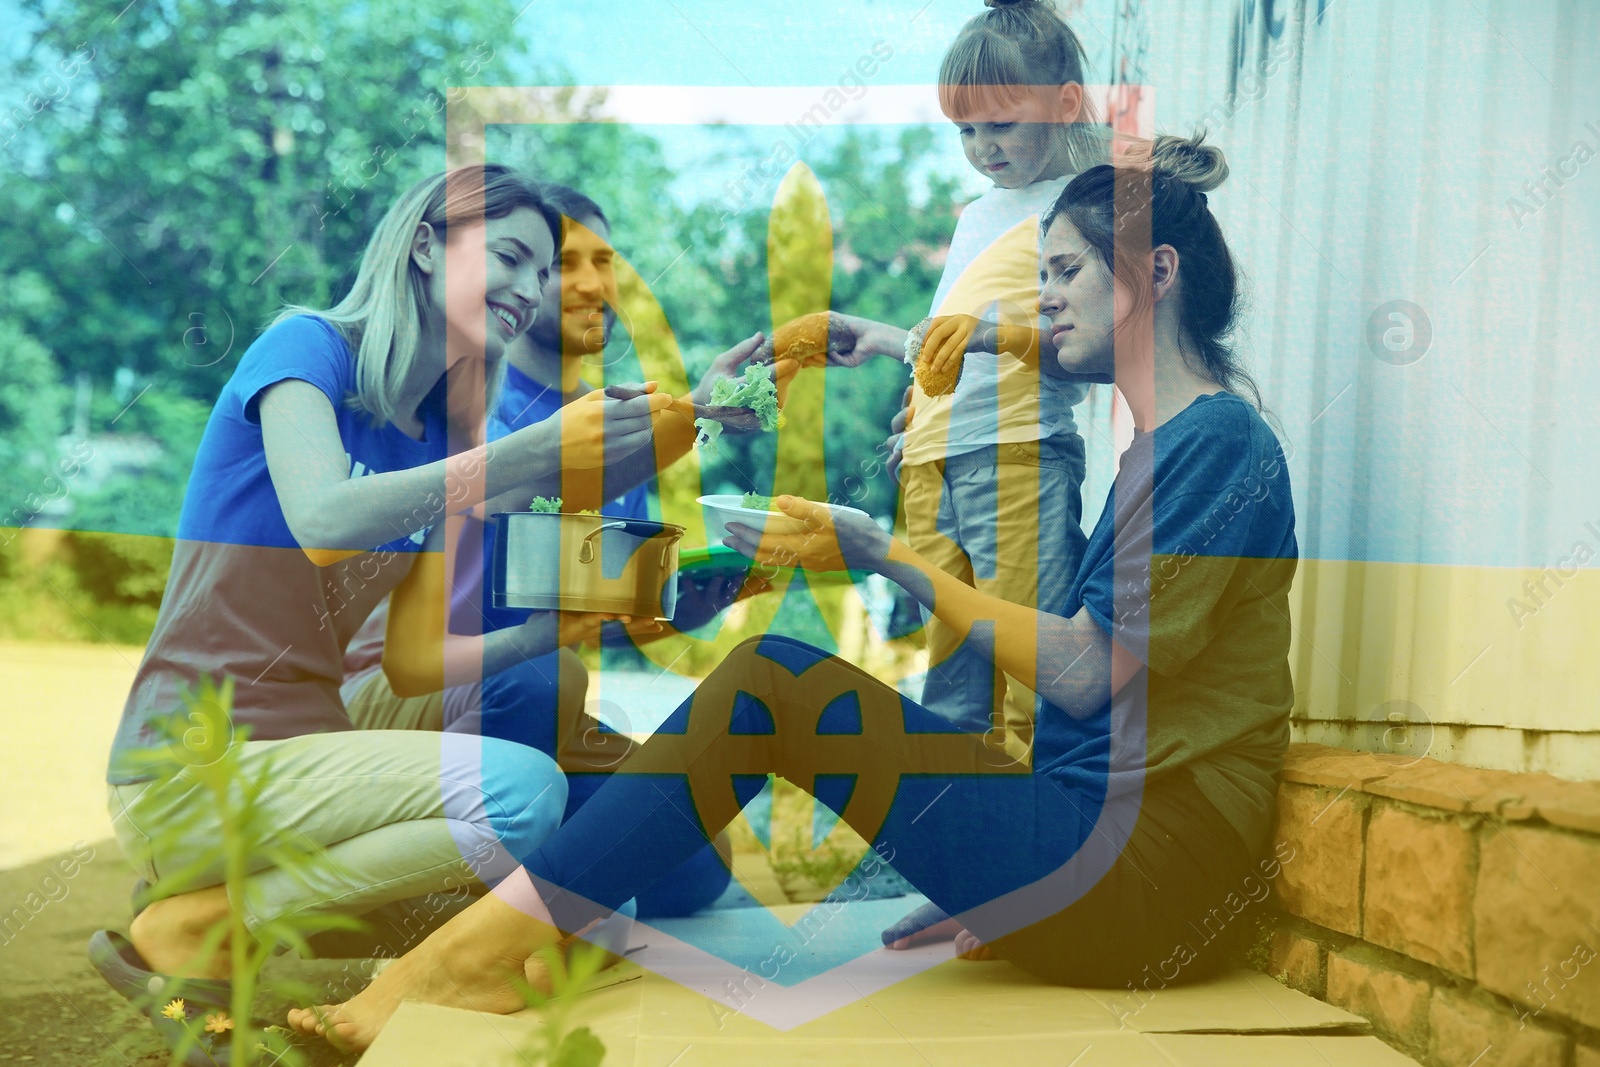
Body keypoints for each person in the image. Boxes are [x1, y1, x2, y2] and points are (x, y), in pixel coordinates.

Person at [287, 132, 1299, 1051]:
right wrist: (994, 864)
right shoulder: (1160, 445)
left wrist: (887, 556)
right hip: (1090, 853)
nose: (1042, 299)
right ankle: (494, 943)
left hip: (1147, 886)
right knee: (735, 708)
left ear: (1153, 274)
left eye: (1065, 270)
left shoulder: (1214, 445)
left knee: (773, 681)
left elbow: (1082, 675)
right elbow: (1106, 707)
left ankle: (479, 956)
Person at [89, 165, 693, 1062]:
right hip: (193, 764)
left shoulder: (441, 428)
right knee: (521, 796)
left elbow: (412, 661)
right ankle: (203, 920)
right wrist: (520, 452)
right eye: (512, 258)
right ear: (423, 243)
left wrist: (567, 620)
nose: (531, 290)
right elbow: (325, 518)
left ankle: (334, 921)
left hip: (308, 738)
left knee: (547, 704)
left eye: (543, 271)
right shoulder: (307, 349)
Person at [339, 182, 747, 921]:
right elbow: (478, 566)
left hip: (536, 707)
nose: (594, 284)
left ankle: (497, 874)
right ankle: (471, 917)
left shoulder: (611, 416)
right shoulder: (471, 394)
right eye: (564, 264)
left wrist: (678, 605)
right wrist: (687, 420)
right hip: (424, 686)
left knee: (698, 862)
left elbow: (579, 603)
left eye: (606, 262)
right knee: (535, 676)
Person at [778, 0, 1109, 764]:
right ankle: (956, 853)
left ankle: (1041, 848)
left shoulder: (1087, 206)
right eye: (965, 130)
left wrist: (984, 347)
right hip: (937, 467)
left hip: (1019, 456)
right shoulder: (976, 216)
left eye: (1001, 123)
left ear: (1063, 105)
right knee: (951, 678)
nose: (982, 147)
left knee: (1026, 660)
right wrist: (898, 362)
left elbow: (1088, 352)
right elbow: (950, 347)